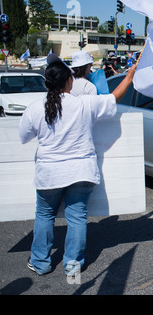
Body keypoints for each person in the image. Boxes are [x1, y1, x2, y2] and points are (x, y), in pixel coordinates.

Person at [19, 54, 136, 277]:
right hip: (82, 172)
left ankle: (41, 263)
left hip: (49, 174)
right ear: (69, 82)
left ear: (47, 83)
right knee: (77, 218)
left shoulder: (35, 108)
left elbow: (24, 136)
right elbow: (114, 97)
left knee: (44, 216)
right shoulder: (84, 104)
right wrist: (129, 75)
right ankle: (72, 265)